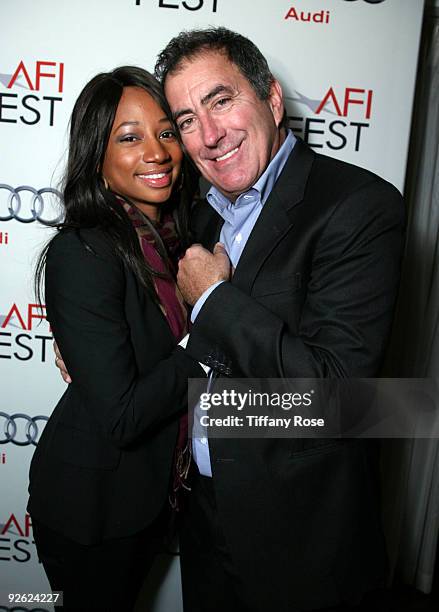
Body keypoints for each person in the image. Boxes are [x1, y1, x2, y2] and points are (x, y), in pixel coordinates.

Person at [154, 27, 405, 612]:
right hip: (205, 519)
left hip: (300, 538)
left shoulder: (358, 206)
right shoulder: (200, 214)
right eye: (187, 119)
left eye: (220, 101)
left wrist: (216, 299)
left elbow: (337, 397)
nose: (210, 136)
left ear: (270, 98)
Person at [28, 66, 205, 612]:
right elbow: (124, 414)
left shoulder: (181, 238)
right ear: (96, 158)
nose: (156, 152)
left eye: (167, 132)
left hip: (151, 495)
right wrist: (209, 334)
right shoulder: (84, 252)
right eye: (129, 138)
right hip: (92, 508)